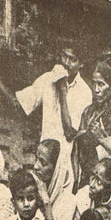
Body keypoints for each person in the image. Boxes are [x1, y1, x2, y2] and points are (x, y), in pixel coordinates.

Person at [16, 42, 92, 188]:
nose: (66, 63)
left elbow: (69, 132)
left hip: (64, 165)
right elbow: (22, 103)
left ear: (81, 64)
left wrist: (62, 90)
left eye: (72, 59)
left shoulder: (85, 92)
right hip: (43, 162)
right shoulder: (48, 79)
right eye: (64, 56)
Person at [72, 59, 111, 192]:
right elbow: (76, 149)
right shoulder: (88, 113)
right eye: (93, 84)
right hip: (92, 180)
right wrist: (76, 179)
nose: (96, 90)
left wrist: (101, 139)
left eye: (101, 84)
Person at [32, 138, 75, 220]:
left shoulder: (67, 201)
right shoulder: (32, 192)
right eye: (36, 160)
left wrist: (47, 204)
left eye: (43, 162)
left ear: (57, 169)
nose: (35, 166)